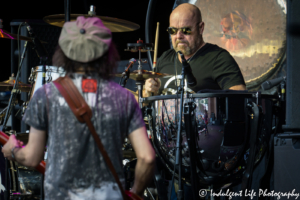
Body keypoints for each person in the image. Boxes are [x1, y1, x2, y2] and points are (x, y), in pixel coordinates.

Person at [2, 17, 155, 199]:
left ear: (65, 51)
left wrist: (13, 150)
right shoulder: (125, 98)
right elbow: (147, 157)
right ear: (106, 52)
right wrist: (135, 192)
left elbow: (32, 157)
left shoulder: (46, 95)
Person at [143, 3, 246, 97]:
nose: (178, 36)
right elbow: (144, 103)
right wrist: (147, 92)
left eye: (186, 30)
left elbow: (239, 98)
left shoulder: (219, 58)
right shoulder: (165, 58)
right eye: (173, 30)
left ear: (201, 28)